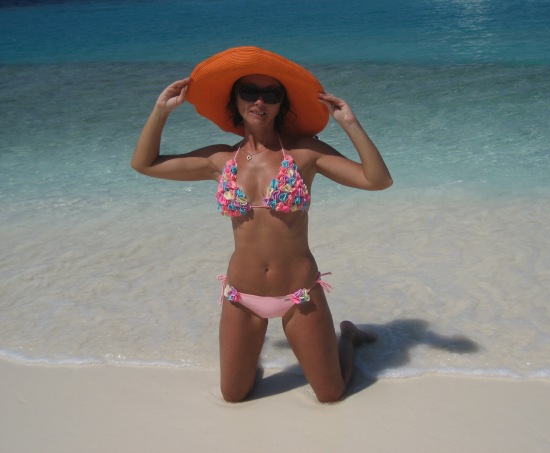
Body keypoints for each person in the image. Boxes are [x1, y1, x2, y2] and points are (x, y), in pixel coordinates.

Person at [131, 46, 393, 403]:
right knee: (233, 395)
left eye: (271, 94)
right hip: (241, 296)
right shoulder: (219, 159)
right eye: (249, 91)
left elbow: (377, 180)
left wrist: (350, 125)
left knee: (331, 395)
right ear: (235, 100)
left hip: (299, 294)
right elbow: (144, 164)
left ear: (281, 105)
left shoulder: (305, 153)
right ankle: (249, 356)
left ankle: (346, 336)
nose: (259, 101)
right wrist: (160, 111)